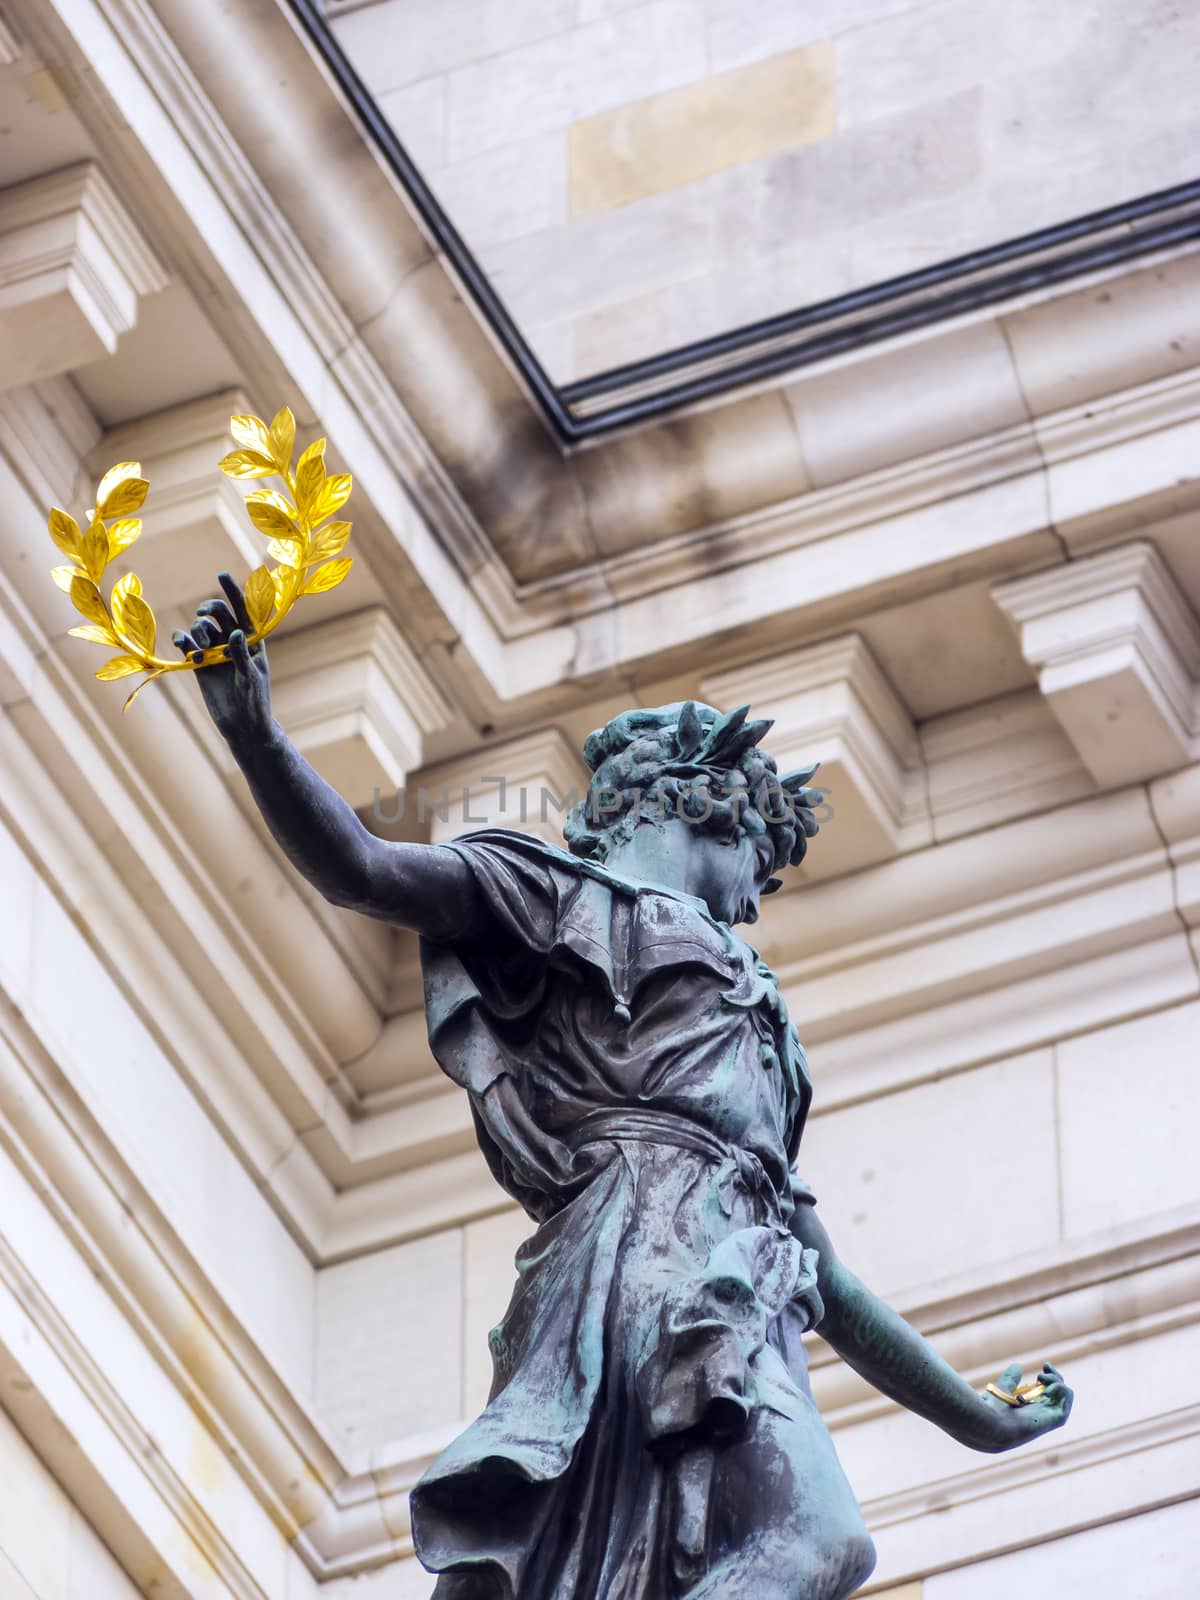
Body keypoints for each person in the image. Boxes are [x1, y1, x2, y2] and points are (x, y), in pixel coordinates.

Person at [176, 578, 1073, 1600]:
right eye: (760, 864)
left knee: (809, 1544)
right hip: (634, 1274)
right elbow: (362, 868)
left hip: (737, 1293)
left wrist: (976, 1413)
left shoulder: (763, 1039)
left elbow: (837, 1285)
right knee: (821, 1541)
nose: (754, 899)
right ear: (711, 804)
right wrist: (257, 735)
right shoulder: (552, 897)